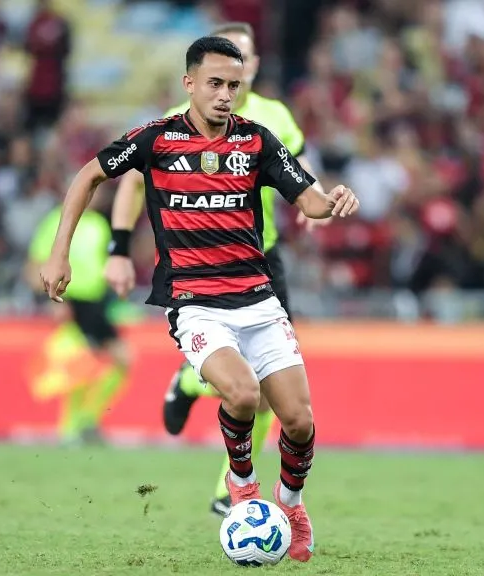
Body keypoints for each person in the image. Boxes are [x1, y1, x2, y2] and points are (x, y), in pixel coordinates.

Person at [39, 36, 361, 562]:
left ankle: (292, 505)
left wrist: (334, 200)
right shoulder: (157, 139)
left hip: (258, 299)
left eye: (233, 85)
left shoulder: (258, 141)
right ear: (189, 83)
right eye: (214, 83)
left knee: (300, 422)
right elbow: (89, 175)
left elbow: (310, 199)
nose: (224, 95)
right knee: (242, 394)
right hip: (196, 302)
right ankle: (243, 490)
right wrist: (60, 255)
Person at [104, 21, 328, 517]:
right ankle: (231, 476)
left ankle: (235, 478)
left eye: (243, 64)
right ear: (198, 78)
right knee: (243, 388)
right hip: (196, 274)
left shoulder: (272, 121)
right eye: (223, 71)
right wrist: (119, 247)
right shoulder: (171, 126)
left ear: (253, 67)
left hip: (260, 262)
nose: (235, 76)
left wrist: (321, 204)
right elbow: (130, 180)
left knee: (276, 396)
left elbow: (304, 170)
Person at [26, 197, 130, 444]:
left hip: (96, 304)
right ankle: (71, 428)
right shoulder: (56, 221)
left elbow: (104, 267)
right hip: (69, 301)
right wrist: (50, 299)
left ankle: (86, 420)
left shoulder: (100, 225)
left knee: (121, 360)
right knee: (79, 365)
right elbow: (36, 264)